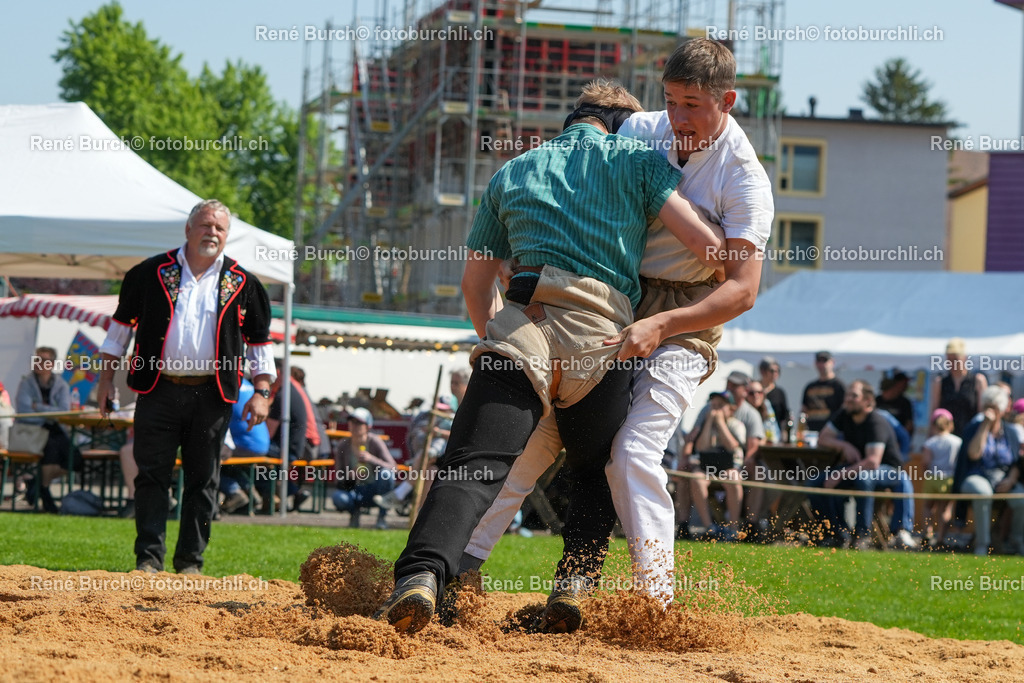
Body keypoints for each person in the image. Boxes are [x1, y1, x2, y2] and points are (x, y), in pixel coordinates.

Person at [374, 78, 729, 634]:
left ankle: (421, 577)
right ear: (618, 125)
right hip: (603, 337)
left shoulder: (512, 171)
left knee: (472, 463)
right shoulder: (637, 161)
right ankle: (574, 587)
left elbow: (475, 283)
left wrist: (498, 343)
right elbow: (708, 247)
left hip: (523, 325)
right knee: (595, 471)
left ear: (573, 119)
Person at [460, 39, 772, 618]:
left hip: (687, 317)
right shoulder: (639, 131)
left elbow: (742, 290)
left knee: (630, 452)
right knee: (542, 435)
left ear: (727, 100)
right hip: (611, 301)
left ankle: (656, 606)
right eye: (672, 101)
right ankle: (462, 569)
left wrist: (663, 324)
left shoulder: (746, 178)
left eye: (695, 106)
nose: (679, 119)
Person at [96, 199, 274, 574]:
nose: (212, 232)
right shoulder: (149, 272)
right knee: (151, 475)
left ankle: (191, 562)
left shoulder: (243, 282)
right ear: (188, 229)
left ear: (227, 236)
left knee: (204, 480)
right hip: (157, 389)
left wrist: (261, 392)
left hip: (213, 395)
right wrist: (105, 383)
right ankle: (148, 559)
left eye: (220, 228)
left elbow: (259, 342)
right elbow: (119, 332)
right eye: (206, 224)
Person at [809, 380, 918, 550]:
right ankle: (835, 533)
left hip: (889, 471)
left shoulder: (876, 421)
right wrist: (845, 446)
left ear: (867, 400)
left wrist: (840, 474)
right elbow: (823, 438)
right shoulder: (844, 414)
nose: (848, 399)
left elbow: (873, 461)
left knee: (863, 478)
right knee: (814, 482)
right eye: (847, 395)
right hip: (859, 468)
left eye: (854, 396)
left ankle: (862, 535)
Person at [951, 386, 1024, 556]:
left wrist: (1011, 480)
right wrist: (985, 425)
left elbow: (1017, 462)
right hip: (977, 475)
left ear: (1002, 410)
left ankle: (1016, 541)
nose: (990, 411)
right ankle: (982, 545)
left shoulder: (1011, 432)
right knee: (982, 492)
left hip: (1004, 479)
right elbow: (974, 454)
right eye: (987, 407)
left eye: (994, 408)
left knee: (1021, 498)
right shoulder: (973, 428)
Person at [13, 346, 82, 513]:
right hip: (33, 431)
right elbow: (24, 411)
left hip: (56, 429)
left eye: (44, 360)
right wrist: (49, 414)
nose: (39, 363)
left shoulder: (60, 384)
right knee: (50, 450)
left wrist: (39, 407)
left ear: (52, 364)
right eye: (37, 359)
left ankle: (38, 483)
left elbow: (64, 411)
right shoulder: (26, 383)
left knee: (76, 460)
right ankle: (45, 494)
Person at [689, 390, 746, 541]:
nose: (715, 410)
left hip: (729, 468)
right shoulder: (705, 423)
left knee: (733, 479)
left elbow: (732, 446)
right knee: (696, 478)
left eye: (720, 406)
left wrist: (720, 423)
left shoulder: (736, 425)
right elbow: (701, 447)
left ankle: (733, 528)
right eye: (712, 406)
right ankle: (709, 527)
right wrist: (709, 423)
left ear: (731, 408)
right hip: (708, 467)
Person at [332, 407, 397, 529]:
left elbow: (393, 467)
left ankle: (381, 518)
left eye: (358, 422)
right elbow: (337, 477)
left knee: (386, 474)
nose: (354, 425)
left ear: (368, 426)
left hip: (374, 489)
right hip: (354, 490)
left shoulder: (375, 441)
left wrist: (371, 459)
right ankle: (354, 514)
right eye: (351, 422)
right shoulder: (343, 444)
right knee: (338, 498)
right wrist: (350, 476)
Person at [219, 377, 271, 515]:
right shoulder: (249, 386)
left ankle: (234, 491)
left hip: (244, 444)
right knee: (230, 465)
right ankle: (250, 492)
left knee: (211, 461)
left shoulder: (228, 384)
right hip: (262, 444)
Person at [919, 408, 961, 547]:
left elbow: (925, 462)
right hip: (949, 478)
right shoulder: (957, 441)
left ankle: (928, 533)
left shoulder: (930, 443)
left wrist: (926, 473)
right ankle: (941, 538)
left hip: (932, 477)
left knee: (928, 507)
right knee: (945, 509)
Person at [931, 338, 988, 437]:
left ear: (964, 358)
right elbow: (934, 412)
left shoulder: (977, 380)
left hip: (970, 436)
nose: (952, 363)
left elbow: (982, 413)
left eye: (955, 359)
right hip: (946, 437)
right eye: (949, 359)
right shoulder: (940, 382)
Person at [801, 351, 845, 432]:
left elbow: (843, 410)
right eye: (819, 361)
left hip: (831, 432)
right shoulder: (810, 386)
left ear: (832, 362)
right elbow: (804, 410)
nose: (822, 364)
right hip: (811, 431)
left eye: (824, 361)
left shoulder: (839, 386)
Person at [876, 370, 914, 436]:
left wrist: (902, 438)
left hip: (898, 438)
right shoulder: (877, 400)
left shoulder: (904, 402)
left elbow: (909, 424)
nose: (906, 386)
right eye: (903, 383)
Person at [759, 356, 789, 442]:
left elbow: (784, 416)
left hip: (775, 435)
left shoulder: (780, 392)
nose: (775, 374)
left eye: (777, 371)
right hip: (758, 432)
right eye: (772, 371)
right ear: (763, 371)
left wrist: (784, 433)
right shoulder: (755, 390)